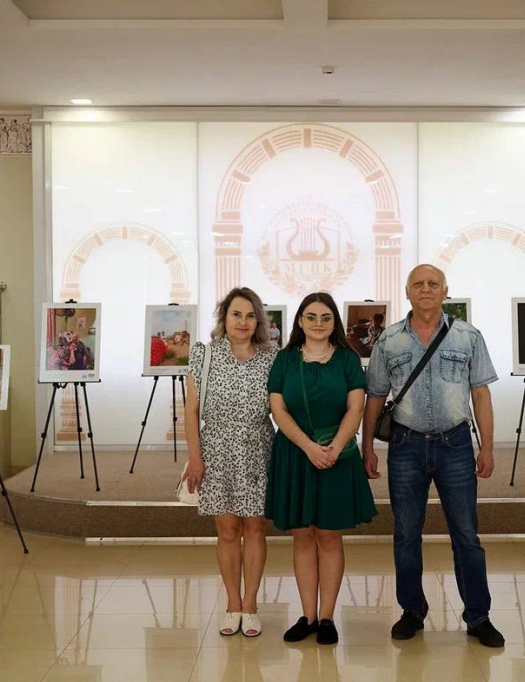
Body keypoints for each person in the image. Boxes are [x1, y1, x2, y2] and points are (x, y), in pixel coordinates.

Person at [362, 264, 505, 649]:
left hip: (455, 446)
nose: (425, 289)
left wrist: (487, 447)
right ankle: (412, 611)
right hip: (405, 447)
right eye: (418, 284)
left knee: (466, 535)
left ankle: (478, 616)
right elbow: (375, 397)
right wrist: (366, 447)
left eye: (433, 284)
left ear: (445, 291)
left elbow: (481, 394)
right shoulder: (389, 340)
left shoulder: (468, 336)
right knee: (406, 534)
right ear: (407, 292)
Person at [266, 292, 376, 646]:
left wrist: (334, 448)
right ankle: (307, 616)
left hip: (336, 455)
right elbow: (278, 410)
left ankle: (326, 617)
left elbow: (355, 408)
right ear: (300, 321)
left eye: (325, 317)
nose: (318, 323)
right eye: (311, 317)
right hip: (296, 453)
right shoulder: (284, 359)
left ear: (334, 322)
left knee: (329, 536)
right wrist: (309, 447)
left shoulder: (347, 358)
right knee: (302, 536)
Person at [182, 287, 279, 639]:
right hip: (216, 449)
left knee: (255, 529)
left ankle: (250, 606)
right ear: (224, 317)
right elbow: (191, 411)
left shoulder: (272, 357)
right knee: (226, 531)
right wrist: (195, 458)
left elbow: (281, 408)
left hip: (257, 449)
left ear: (259, 321)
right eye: (236, 314)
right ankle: (232, 604)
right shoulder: (204, 354)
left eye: (250, 316)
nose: (243, 321)